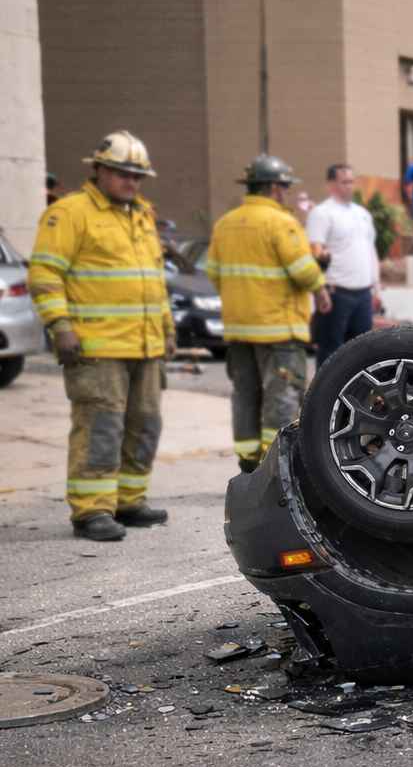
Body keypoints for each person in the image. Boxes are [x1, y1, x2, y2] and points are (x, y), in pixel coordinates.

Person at [26, 131, 174, 541]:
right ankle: (91, 511)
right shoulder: (71, 213)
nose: (131, 182)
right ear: (99, 170)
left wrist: (166, 329)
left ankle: (129, 501)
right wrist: (61, 327)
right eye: (123, 173)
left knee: (145, 424)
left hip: (144, 344)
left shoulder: (141, 214)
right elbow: (44, 274)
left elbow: (152, 280)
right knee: (100, 427)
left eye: (137, 176)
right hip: (96, 345)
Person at [207, 154, 329, 472]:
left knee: (245, 395)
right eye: (284, 187)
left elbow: (214, 273)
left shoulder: (225, 224)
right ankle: (276, 463)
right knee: (282, 396)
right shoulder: (282, 223)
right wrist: (321, 284)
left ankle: (248, 459)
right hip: (278, 328)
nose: (285, 193)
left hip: (238, 328)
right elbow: (302, 271)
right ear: (274, 187)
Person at [306, 163, 380, 367]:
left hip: (363, 293)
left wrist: (376, 288)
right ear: (330, 184)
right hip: (336, 293)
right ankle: (324, 398)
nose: (349, 186)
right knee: (331, 353)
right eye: (344, 182)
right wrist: (319, 290)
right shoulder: (322, 213)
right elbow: (315, 252)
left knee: (362, 355)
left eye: (351, 181)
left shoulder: (362, 214)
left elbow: (370, 251)